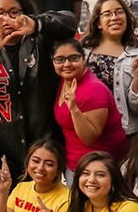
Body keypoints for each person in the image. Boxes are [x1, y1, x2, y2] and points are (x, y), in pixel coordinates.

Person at [0, 0, 78, 174]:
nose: (7, 18)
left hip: (43, 145)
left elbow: (70, 22)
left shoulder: (40, 42)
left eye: (14, 12)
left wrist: (37, 24)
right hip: (3, 148)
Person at [50, 36, 126, 169]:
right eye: (60, 60)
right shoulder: (64, 81)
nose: (67, 64)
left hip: (96, 168)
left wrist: (74, 108)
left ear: (84, 58)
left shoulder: (93, 90)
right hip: (74, 162)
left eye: (73, 58)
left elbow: (89, 138)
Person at [81, 0, 138, 136]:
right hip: (88, 129)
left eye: (119, 12)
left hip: (124, 133)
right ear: (98, 23)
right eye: (107, 14)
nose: (114, 17)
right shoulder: (83, 52)